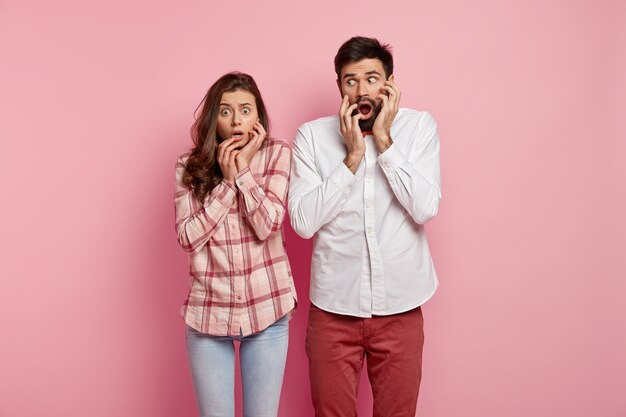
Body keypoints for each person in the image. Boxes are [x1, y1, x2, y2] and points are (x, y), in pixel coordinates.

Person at [288, 36, 442, 417]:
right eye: (350, 80)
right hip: (333, 308)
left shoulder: (420, 127)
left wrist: (385, 142)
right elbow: (304, 223)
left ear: (390, 83)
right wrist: (353, 156)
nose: (362, 90)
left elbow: (424, 208)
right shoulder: (311, 137)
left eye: (372, 78)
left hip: (401, 306)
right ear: (339, 86)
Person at [174, 72, 297, 417]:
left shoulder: (277, 154)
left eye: (246, 109)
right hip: (208, 315)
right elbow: (188, 237)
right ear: (215, 118)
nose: (237, 119)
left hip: (267, 309)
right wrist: (228, 185)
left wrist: (242, 173)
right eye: (226, 111)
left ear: (258, 115)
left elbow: (268, 225)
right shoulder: (189, 165)